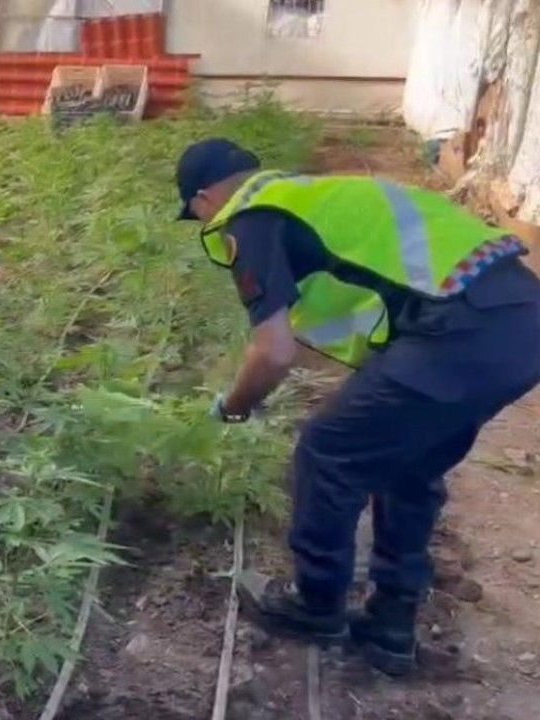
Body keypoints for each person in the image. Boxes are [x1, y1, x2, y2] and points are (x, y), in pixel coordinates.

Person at [175, 138, 540, 675]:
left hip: (460, 329)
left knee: (327, 451)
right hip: (521, 319)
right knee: (409, 466)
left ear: (204, 199)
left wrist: (234, 407)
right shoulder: (314, 195)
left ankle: (315, 604)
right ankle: (391, 626)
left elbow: (273, 352)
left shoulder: (251, 217)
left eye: (196, 213)